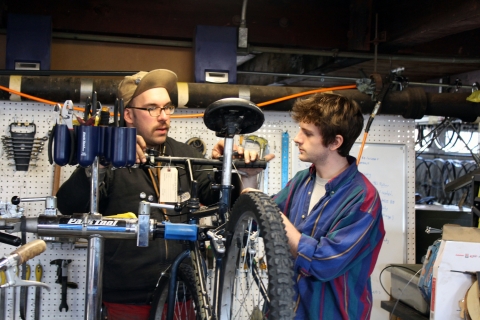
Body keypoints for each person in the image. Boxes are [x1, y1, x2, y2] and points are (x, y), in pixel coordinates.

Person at [56, 69, 269, 320]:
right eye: (152, 109)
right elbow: (68, 205)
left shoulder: (185, 155)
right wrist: (101, 163)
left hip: (182, 296)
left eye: (167, 108)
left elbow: (224, 204)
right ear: (128, 114)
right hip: (127, 299)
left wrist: (238, 173)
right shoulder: (109, 159)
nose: (164, 117)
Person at [244, 93, 385, 319]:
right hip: (284, 312)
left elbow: (321, 262)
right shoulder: (302, 181)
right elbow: (254, 222)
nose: (298, 138)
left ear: (335, 142)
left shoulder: (363, 199)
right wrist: (249, 178)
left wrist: (270, 213)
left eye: (308, 133)